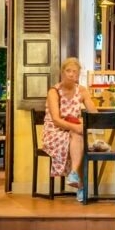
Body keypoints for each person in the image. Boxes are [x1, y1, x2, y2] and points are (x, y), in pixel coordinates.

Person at [43, 57, 96, 203]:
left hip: (73, 131)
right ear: (62, 72)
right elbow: (56, 120)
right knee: (79, 138)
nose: (71, 74)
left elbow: (94, 113)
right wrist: (77, 127)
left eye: (75, 72)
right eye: (68, 71)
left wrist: (85, 118)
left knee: (78, 138)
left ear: (79, 74)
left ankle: (74, 175)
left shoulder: (82, 91)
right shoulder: (54, 92)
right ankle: (81, 187)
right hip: (54, 131)